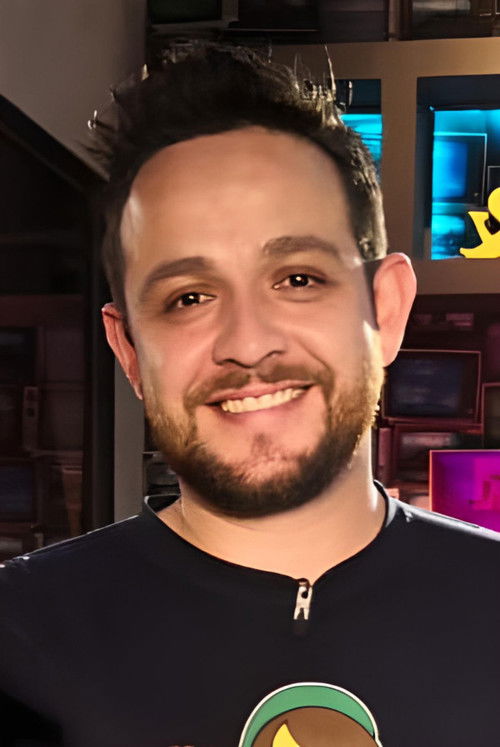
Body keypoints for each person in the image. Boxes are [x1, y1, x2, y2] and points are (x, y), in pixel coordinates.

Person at [0, 42, 499, 747]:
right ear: (130, 350)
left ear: (384, 309)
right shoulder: (19, 639)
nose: (248, 341)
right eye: (189, 296)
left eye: (297, 279)